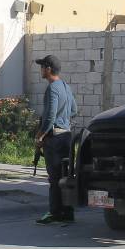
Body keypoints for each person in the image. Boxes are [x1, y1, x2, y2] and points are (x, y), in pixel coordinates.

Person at [34, 54, 78, 224]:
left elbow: (50, 115)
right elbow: (74, 109)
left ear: (48, 69)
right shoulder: (65, 86)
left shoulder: (52, 88)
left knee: (54, 179)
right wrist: (64, 120)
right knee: (65, 176)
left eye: (42, 67)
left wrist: (40, 135)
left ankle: (54, 212)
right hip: (67, 136)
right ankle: (68, 211)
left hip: (55, 139)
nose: (41, 70)